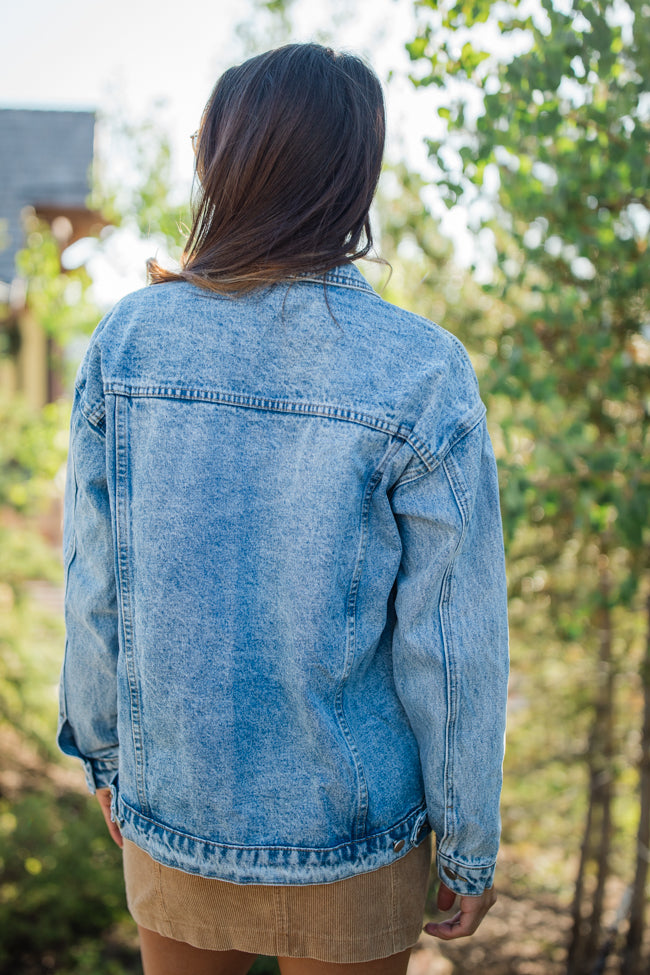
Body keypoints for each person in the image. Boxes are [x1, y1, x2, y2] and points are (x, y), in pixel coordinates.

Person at [57, 42, 509, 975]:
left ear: (224, 161)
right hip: (353, 838)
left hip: (172, 810)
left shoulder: (129, 343)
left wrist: (107, 757)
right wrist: (467, 839)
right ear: (354, 176)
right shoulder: (422, 372)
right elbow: (451, 647)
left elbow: (94, 586)